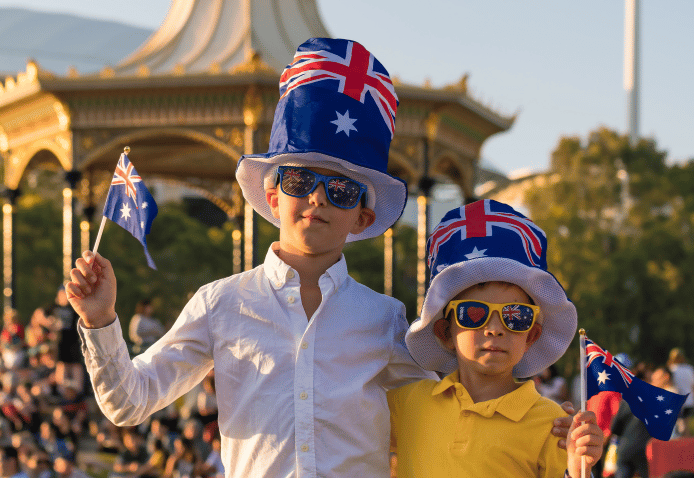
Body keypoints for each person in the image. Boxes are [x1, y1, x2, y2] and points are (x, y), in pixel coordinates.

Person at [67, 38, 573, 478]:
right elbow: (128, 403)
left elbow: (452, 414)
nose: (318, 199)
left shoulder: (385, 320)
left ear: (362, 218)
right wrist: (100, 320)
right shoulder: (220, 303)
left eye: (341, 189)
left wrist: (550, 430)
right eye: (299, 181)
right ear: (272, 197)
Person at [388, 199, 604, 478]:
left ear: (531, 336)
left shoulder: (553, 424)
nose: (495, 329)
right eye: (474, 313)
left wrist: (578, 466)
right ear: (445, 332)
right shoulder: (407, 403)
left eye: (515, 316)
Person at [667, 348, 694, 421]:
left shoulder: (671, 369)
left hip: (676, 401)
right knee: (685, 427)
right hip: (689, 401)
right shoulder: (689, 369)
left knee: (677, 427)